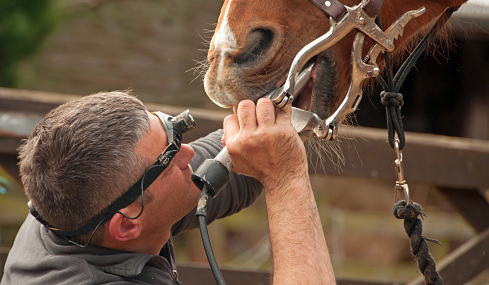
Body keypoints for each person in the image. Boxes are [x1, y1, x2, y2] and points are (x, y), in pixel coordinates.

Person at [1, 91, 335, 285]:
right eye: (168, 157)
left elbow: (243, 163)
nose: (189, 152)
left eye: (174, 133)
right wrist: (287, 179)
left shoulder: (75, 209)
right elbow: (275, 171)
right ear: (127, 223)